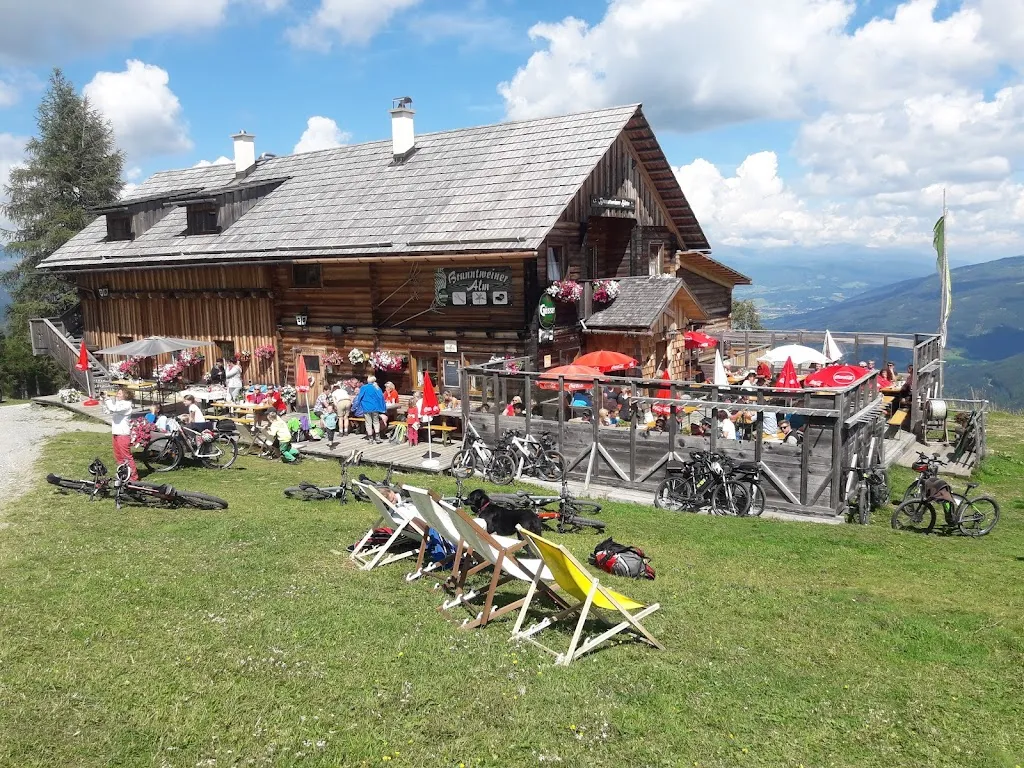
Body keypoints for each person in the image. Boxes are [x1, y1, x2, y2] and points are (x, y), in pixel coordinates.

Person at [103, 387, 139, 480]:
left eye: (119, 394)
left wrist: (107, 399)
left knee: (126, 456)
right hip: (116, 433)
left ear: (125, 395)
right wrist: (104, 401)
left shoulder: (126, 406)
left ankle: (133, 477)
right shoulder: (119, 404)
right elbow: (108, 410)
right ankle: (124, 473)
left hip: (123, 434)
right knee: (118, 456)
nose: (117, 395)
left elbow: (113, 408)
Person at [353, 375, 386, 444]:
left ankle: (370, 438)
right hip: (375, 408)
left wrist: (357, 406)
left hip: (366, 408)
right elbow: (381, 398)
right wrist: (383, 408)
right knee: (376, 422)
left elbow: (360, 397)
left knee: (368, 423)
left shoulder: (364, 387)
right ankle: (377, 437)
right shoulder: (377, 388)